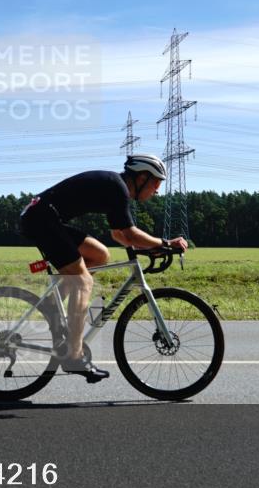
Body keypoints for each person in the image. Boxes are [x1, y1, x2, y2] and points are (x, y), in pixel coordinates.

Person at [19, 154, 188, 382]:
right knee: (83, 282)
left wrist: (152, 247)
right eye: (156, 183)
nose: (157, 191)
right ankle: (73, 357)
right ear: (142, 178)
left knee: (100, 255)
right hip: (41, 220)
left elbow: (119, 234)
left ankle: (52, 306)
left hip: (44, 218)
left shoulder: (117, 187)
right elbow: (129, 234)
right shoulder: (118, 188)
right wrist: (165, 243)